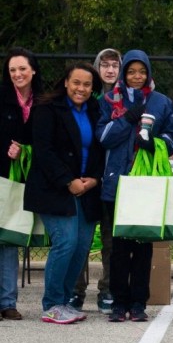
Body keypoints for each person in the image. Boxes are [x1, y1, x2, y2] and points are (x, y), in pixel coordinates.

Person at [97, 50, 173, 323]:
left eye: (141, 72)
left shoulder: (162, 102)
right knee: (118, 247)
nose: (136, 76)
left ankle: (139, 303)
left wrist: (154, 144)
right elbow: (104, 137)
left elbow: (171, 138)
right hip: (117, 184)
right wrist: (127, 119)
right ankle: (118, 302)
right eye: (131, 72)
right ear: (123, 74)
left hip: (146, 186)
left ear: (148, 73)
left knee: (144, 247)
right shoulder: (108, 100)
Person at [24, 63, 104, 324]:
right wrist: (69, 182)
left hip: (86, 188)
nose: (81, 88)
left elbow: (100, 148)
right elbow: (44, 152)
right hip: (54, 189)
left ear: (93, 88)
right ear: (66, 83)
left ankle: (66, 301)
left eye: (87, 84)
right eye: (77, 83)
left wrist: (94, 179)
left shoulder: (95, 109)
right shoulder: (47, 110)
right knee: (66, 241)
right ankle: (52, 304)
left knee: (81, 246)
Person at [69, 48, 122, 314]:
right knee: (82, 238)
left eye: (115, 65)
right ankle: (76, 292)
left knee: (111, 240)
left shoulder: (126, 99)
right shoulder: (88, 99)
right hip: (89, 179)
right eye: (105, 65)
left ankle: (108, 290)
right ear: (97, 67)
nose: (110, 70)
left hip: (114, 181)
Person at [0, 47, 43, 321]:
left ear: (33, 70)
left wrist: (26, 151)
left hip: (27, 179)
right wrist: (7, 149)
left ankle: (7, 302)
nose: (17, 74)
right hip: (2, 175)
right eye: (12, 70)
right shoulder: (1, 98)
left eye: (22, 69)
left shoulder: (43, 101)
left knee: (9, 238)